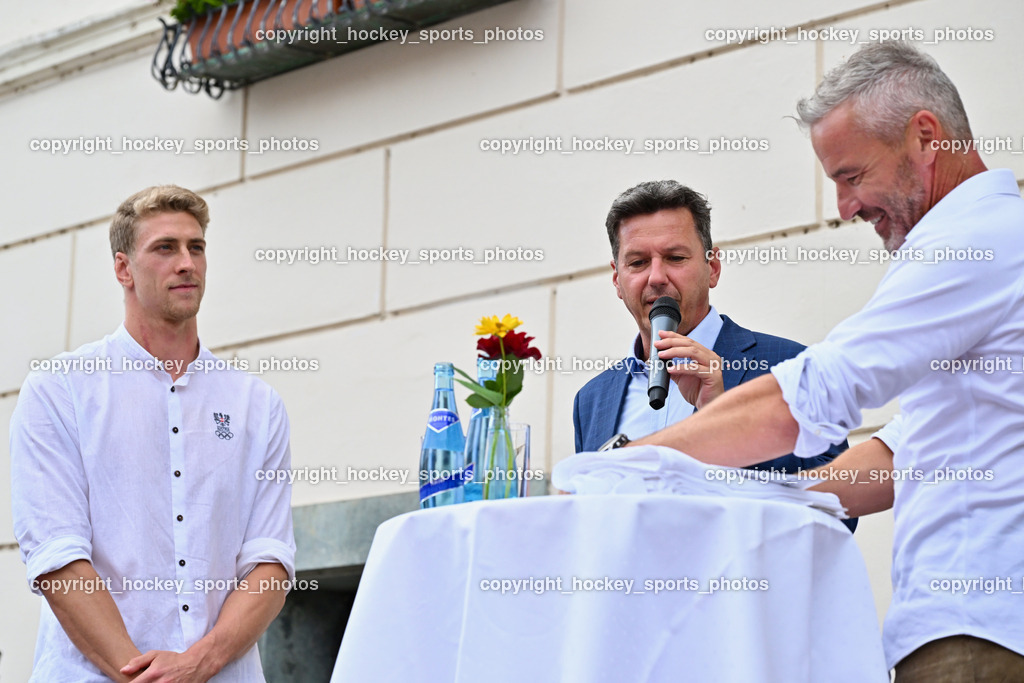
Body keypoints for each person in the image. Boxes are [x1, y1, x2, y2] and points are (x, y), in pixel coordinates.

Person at [630, 42, 1024, 681]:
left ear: (926, 137)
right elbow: (900, 455)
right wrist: (756, 499)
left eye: (852, 176)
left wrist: (627, 467)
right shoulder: (990, 242)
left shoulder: (971, 245)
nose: (845, 207)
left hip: (981, 632)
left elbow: (809, 395)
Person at [11, 185, 296, 682]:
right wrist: (145, 678)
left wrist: (199, 662)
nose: (186, 263)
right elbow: (59, 559)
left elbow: (269, 564)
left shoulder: (257, 405)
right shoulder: (61, 390)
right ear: (123, 269)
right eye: (165, 248)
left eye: (196, 247)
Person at [572, 180, 850, 496]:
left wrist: (722, 423)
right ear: (617, 280)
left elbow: (837, 504)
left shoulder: (789, 367)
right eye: (637, 263)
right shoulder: (592, 400)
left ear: (713, 268)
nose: (657, 277)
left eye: (675, 257)